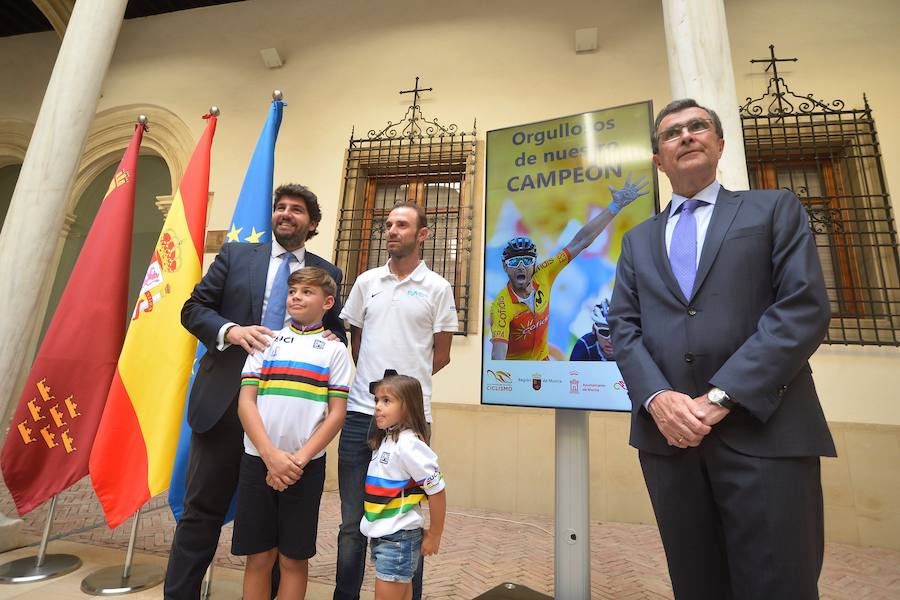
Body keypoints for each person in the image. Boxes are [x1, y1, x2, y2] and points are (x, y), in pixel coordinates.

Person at [608, 98, 835, 600]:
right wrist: (657, 398)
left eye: (699, 127)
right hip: (669, 442)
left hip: (765, 431)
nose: (687, 135)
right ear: (658, 160)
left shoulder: (773, 209)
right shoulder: (637, 241)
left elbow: (801, 310)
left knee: (779, 585)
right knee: (696, 583)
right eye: (672, 133)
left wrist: (719, 398)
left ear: (720, 144)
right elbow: (623, 328)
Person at [166, 183, 346, 599]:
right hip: (226, 406)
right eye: (280, 207)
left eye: (296, 209)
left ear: (312, 223)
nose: (286, 214)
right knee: (201, 513)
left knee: (280, 529)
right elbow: (193, 309)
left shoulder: (327, 273)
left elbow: (332, 330)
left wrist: (337, 342)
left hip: (289, 423)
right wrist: (232, 331)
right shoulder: (236, 255)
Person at [334, 201, 458, 600]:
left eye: (402, 225)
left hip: (410, 426)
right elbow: (358, 345)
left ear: (422, 234)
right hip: (359, 415)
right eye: (388, 224)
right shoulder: (366, 282)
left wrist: (403, 399)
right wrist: (379, 395)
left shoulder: (438, 288)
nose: (391, 230)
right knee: (353, 522)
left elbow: (441, 354)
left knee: (405, 521)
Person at [234, 267, 350, 600]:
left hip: (305, 467)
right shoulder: (265, 341)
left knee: (292, 559)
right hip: (258, 461)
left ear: (328, 302)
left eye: (307, 291)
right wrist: (271, 456)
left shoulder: (334, 350)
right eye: (293, 290)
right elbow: (246, 402)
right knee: (258, 557)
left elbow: (336, 414)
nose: (296, 296)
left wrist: (296, 461)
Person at [490, 174, 648, 360]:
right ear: (505, 267)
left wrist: (614, 207)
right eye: (514, 263)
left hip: (545, 365)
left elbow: (581, 240)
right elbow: (498, 356)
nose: (521, 268)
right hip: (516, 374)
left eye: (527, 261)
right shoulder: (501, 305)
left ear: (536, 263)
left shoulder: (544, 273)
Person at [361, 371, 446, 600]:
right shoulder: (387, 440)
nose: (378, 406)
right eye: (377, 400)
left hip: (397, 541)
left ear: (407, 407)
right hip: (384, 537)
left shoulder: (409, 445)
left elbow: (436, 489)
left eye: (386, 401)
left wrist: (434, 534)